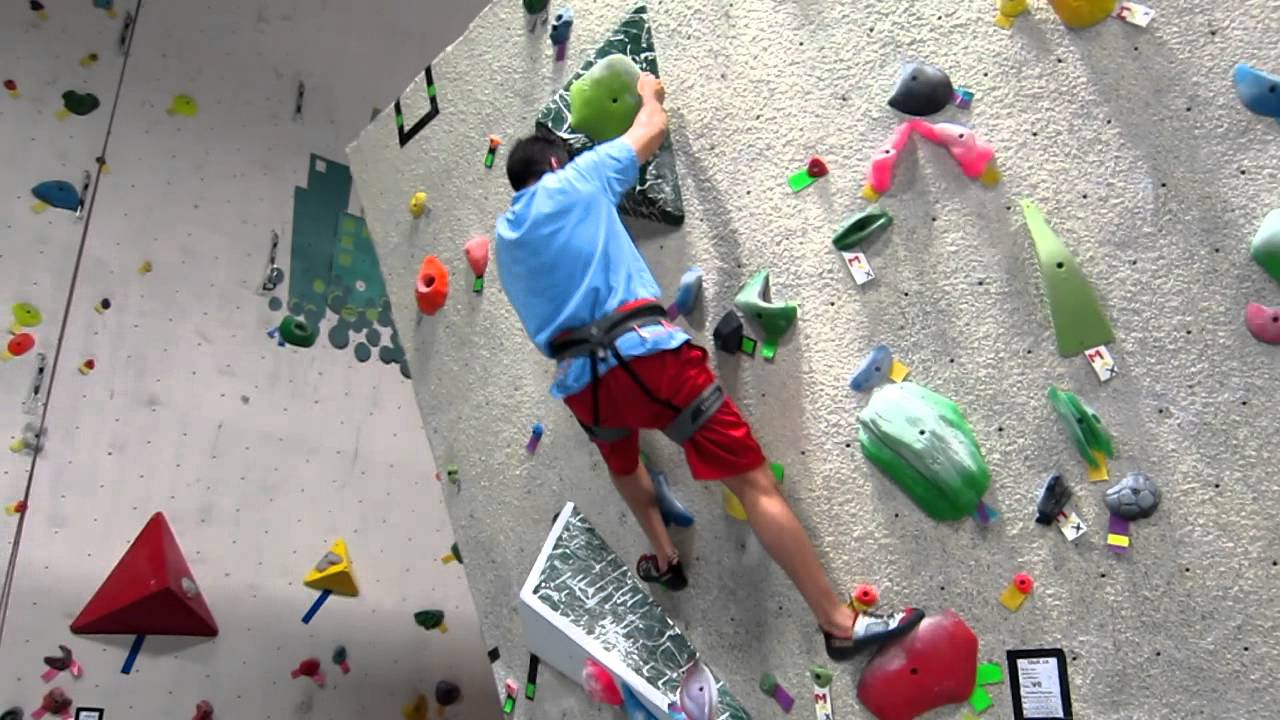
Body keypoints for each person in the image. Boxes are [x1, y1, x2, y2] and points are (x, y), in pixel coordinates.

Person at [494, 70, 922, 660]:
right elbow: (651, 130)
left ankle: (664, 555)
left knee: (623, 463)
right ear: (552, 166)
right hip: (646, 358)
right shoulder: (575, 181)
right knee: (752, 482)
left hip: (585, 389)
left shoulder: (504, 242)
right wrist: (648, 92)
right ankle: (838, 625)